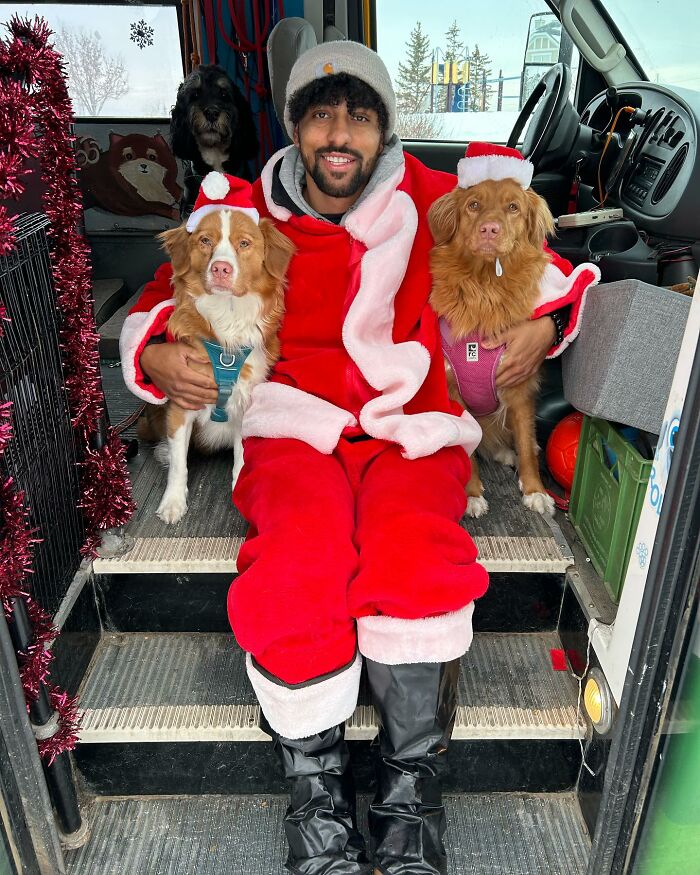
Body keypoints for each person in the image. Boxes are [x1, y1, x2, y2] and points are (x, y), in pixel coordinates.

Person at [120, 39, 591, 875]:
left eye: (360, 117)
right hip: (293, 420)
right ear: (297, 129)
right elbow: (168, 290)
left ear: (383, 130)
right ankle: (317, 798)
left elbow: (538, 259)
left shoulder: (435, 196)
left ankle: (410, 797)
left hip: (409, 422)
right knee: (297, 560)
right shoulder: (247, 214)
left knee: (417, 553)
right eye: (322, 116)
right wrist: (154, 349)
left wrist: (547, 321)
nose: (341, 135)